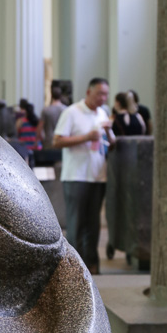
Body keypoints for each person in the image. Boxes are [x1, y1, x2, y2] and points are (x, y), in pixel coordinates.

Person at [53, 78, 114, 274]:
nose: (103, 98)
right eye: (99, 94)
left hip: (97, 175)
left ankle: (92, 264)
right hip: (76, 175)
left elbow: (107, 143)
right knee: (76, 222)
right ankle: (73, 269)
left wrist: (109, 134)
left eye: (105, 94)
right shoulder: (71, 112)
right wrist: (86, 137)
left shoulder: (102, 113)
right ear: (89, 92)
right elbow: (57, 141)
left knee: (93, 223)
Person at [37, 85, 66, 150]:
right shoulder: (65, 110)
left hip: (48, 141)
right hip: (61, 141)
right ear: (60, 96)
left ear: (51, 95)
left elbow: (40, 127)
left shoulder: (46, 110)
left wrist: (37, 140)